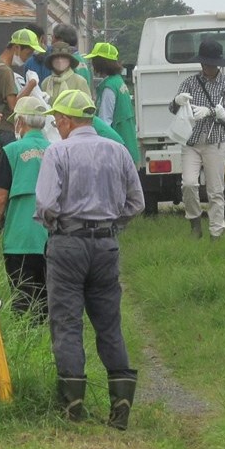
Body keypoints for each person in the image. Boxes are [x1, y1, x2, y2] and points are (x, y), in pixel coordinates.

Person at [36, 89, 145, 429]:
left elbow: (47, 205)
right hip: (105, 245)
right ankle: (121, 406)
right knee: (109, 323)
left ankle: (72, 408)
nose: (57, 125)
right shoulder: (118, 151)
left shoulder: (58, 152)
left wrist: (58, 226)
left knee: (67, 322)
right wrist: (112, 223)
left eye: (58, 120)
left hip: (68, 243)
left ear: (67, 120)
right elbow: (136, 202)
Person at [0, 95, 52, 323]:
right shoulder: (55, 151)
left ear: (20, 122)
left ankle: (25, 344)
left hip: (19, 238)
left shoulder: (12, 150)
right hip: (50, 237)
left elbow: (0, 197)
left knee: (22, 299)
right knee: (47, 300)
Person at [169, 39, 225, 240]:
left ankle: (216, 232)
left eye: (212, 64)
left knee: (216, 190)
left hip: (215, 142)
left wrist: (211, 112)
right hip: (191, 142)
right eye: (206, 64)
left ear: (218, 64)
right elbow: (173, 109)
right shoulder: (190, 82)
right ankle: (195, 224)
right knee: (189, 184)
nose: (208, 67)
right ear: (201, 64)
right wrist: (176, 101)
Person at [0, 28, 44, 185]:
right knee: (7, 182)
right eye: (28, 53)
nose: (27, 59)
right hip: (5, 131)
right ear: (17, 48)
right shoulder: (4, 71)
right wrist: (31, 84)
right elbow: (15, 106)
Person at [85, 41, 140, 165]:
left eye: (94, 61)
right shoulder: (118, 82)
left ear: (99, 62)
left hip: (115, 151)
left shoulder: (109, 87)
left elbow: (105, 121)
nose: (92, 65)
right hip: (127, 143)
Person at [51, 23, 92, 93]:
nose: (51, 42)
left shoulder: (66, 61)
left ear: (60, 40)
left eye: (53, 38)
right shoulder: (83, 59)